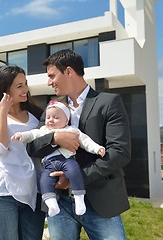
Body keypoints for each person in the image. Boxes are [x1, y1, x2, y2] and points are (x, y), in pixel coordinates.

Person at [27, 49, 131, 240]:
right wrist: (55, 138)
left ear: (68, 71)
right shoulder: (52, 109)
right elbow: (32, 147)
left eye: (51, 76)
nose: (48, 82)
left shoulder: (108, 102)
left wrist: (77, 178)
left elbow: (119, 152)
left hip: (100, 200)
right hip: (60, 203)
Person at [11, 99, 105, 217]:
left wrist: (97, 148)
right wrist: (21, 135)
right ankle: (51, 204)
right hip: (50, 164)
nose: (50, 120)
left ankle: (79, 198)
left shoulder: (71, 130)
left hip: (67, 160)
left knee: (74, 171)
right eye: (48, 117)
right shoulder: (43, 130)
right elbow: (31, 135)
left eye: (55, 117)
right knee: (44, 180)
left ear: (66, 120)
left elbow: (85, 141)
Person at [0, 65, 45, 240]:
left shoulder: (37, 116)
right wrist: (3, 112)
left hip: (33, 192)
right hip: (3, 194)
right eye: (19, 86)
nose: (25, 89)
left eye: (25, 84)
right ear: (5, 90)